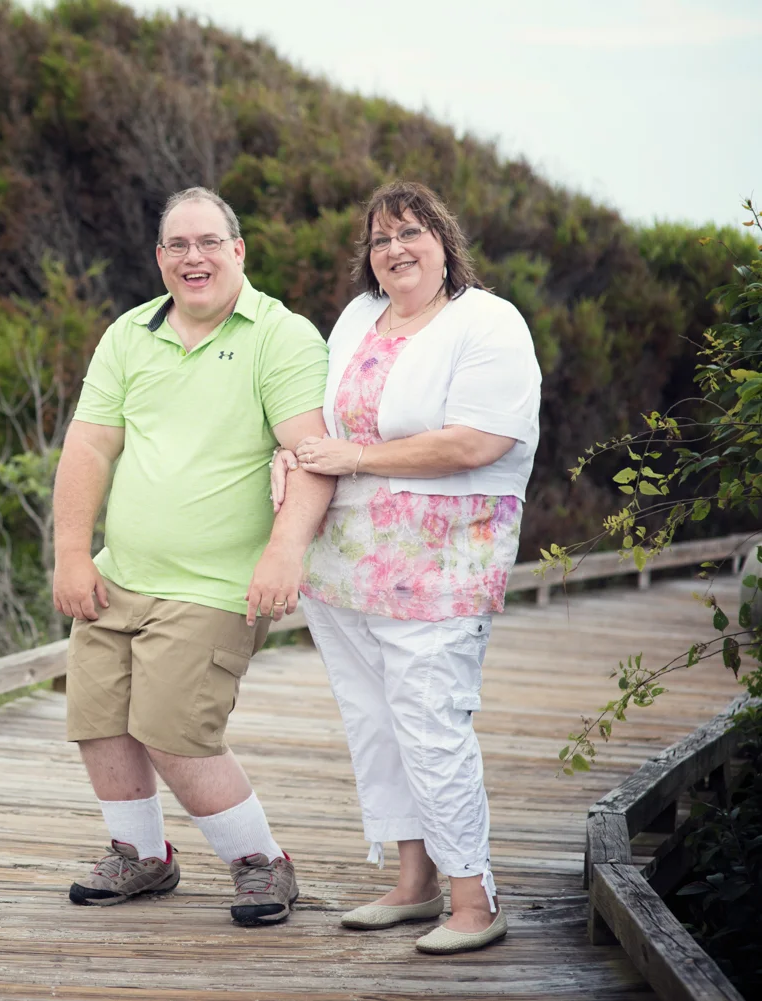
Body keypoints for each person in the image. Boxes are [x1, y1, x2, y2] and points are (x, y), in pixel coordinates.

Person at [270, 180, 541, 953]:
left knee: (431, 723)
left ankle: (474, 898)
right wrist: (294, 459)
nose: (395, 249)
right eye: (380, 239)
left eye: (410, 232)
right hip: (345, 563)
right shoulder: (358, 318)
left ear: (444, 241)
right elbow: (321, 421)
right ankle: (414, 882)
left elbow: (476, 440)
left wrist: (354, 454)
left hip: (442, 564)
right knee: (377, 724)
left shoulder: (487, 321)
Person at [52, 186, 334, 925]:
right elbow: (88, 444)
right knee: (99, 718)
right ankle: (141, 856)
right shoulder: (128, 334)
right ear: (159, 259)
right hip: (121, 575)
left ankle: (261, 863)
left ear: (238, 250)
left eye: (209, 242)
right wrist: (72, 553)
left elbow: (309, 454)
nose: (193, 257)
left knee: (174, 726)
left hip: (216, 586)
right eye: (177, 245)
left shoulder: (282, 336)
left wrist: (284, 549)